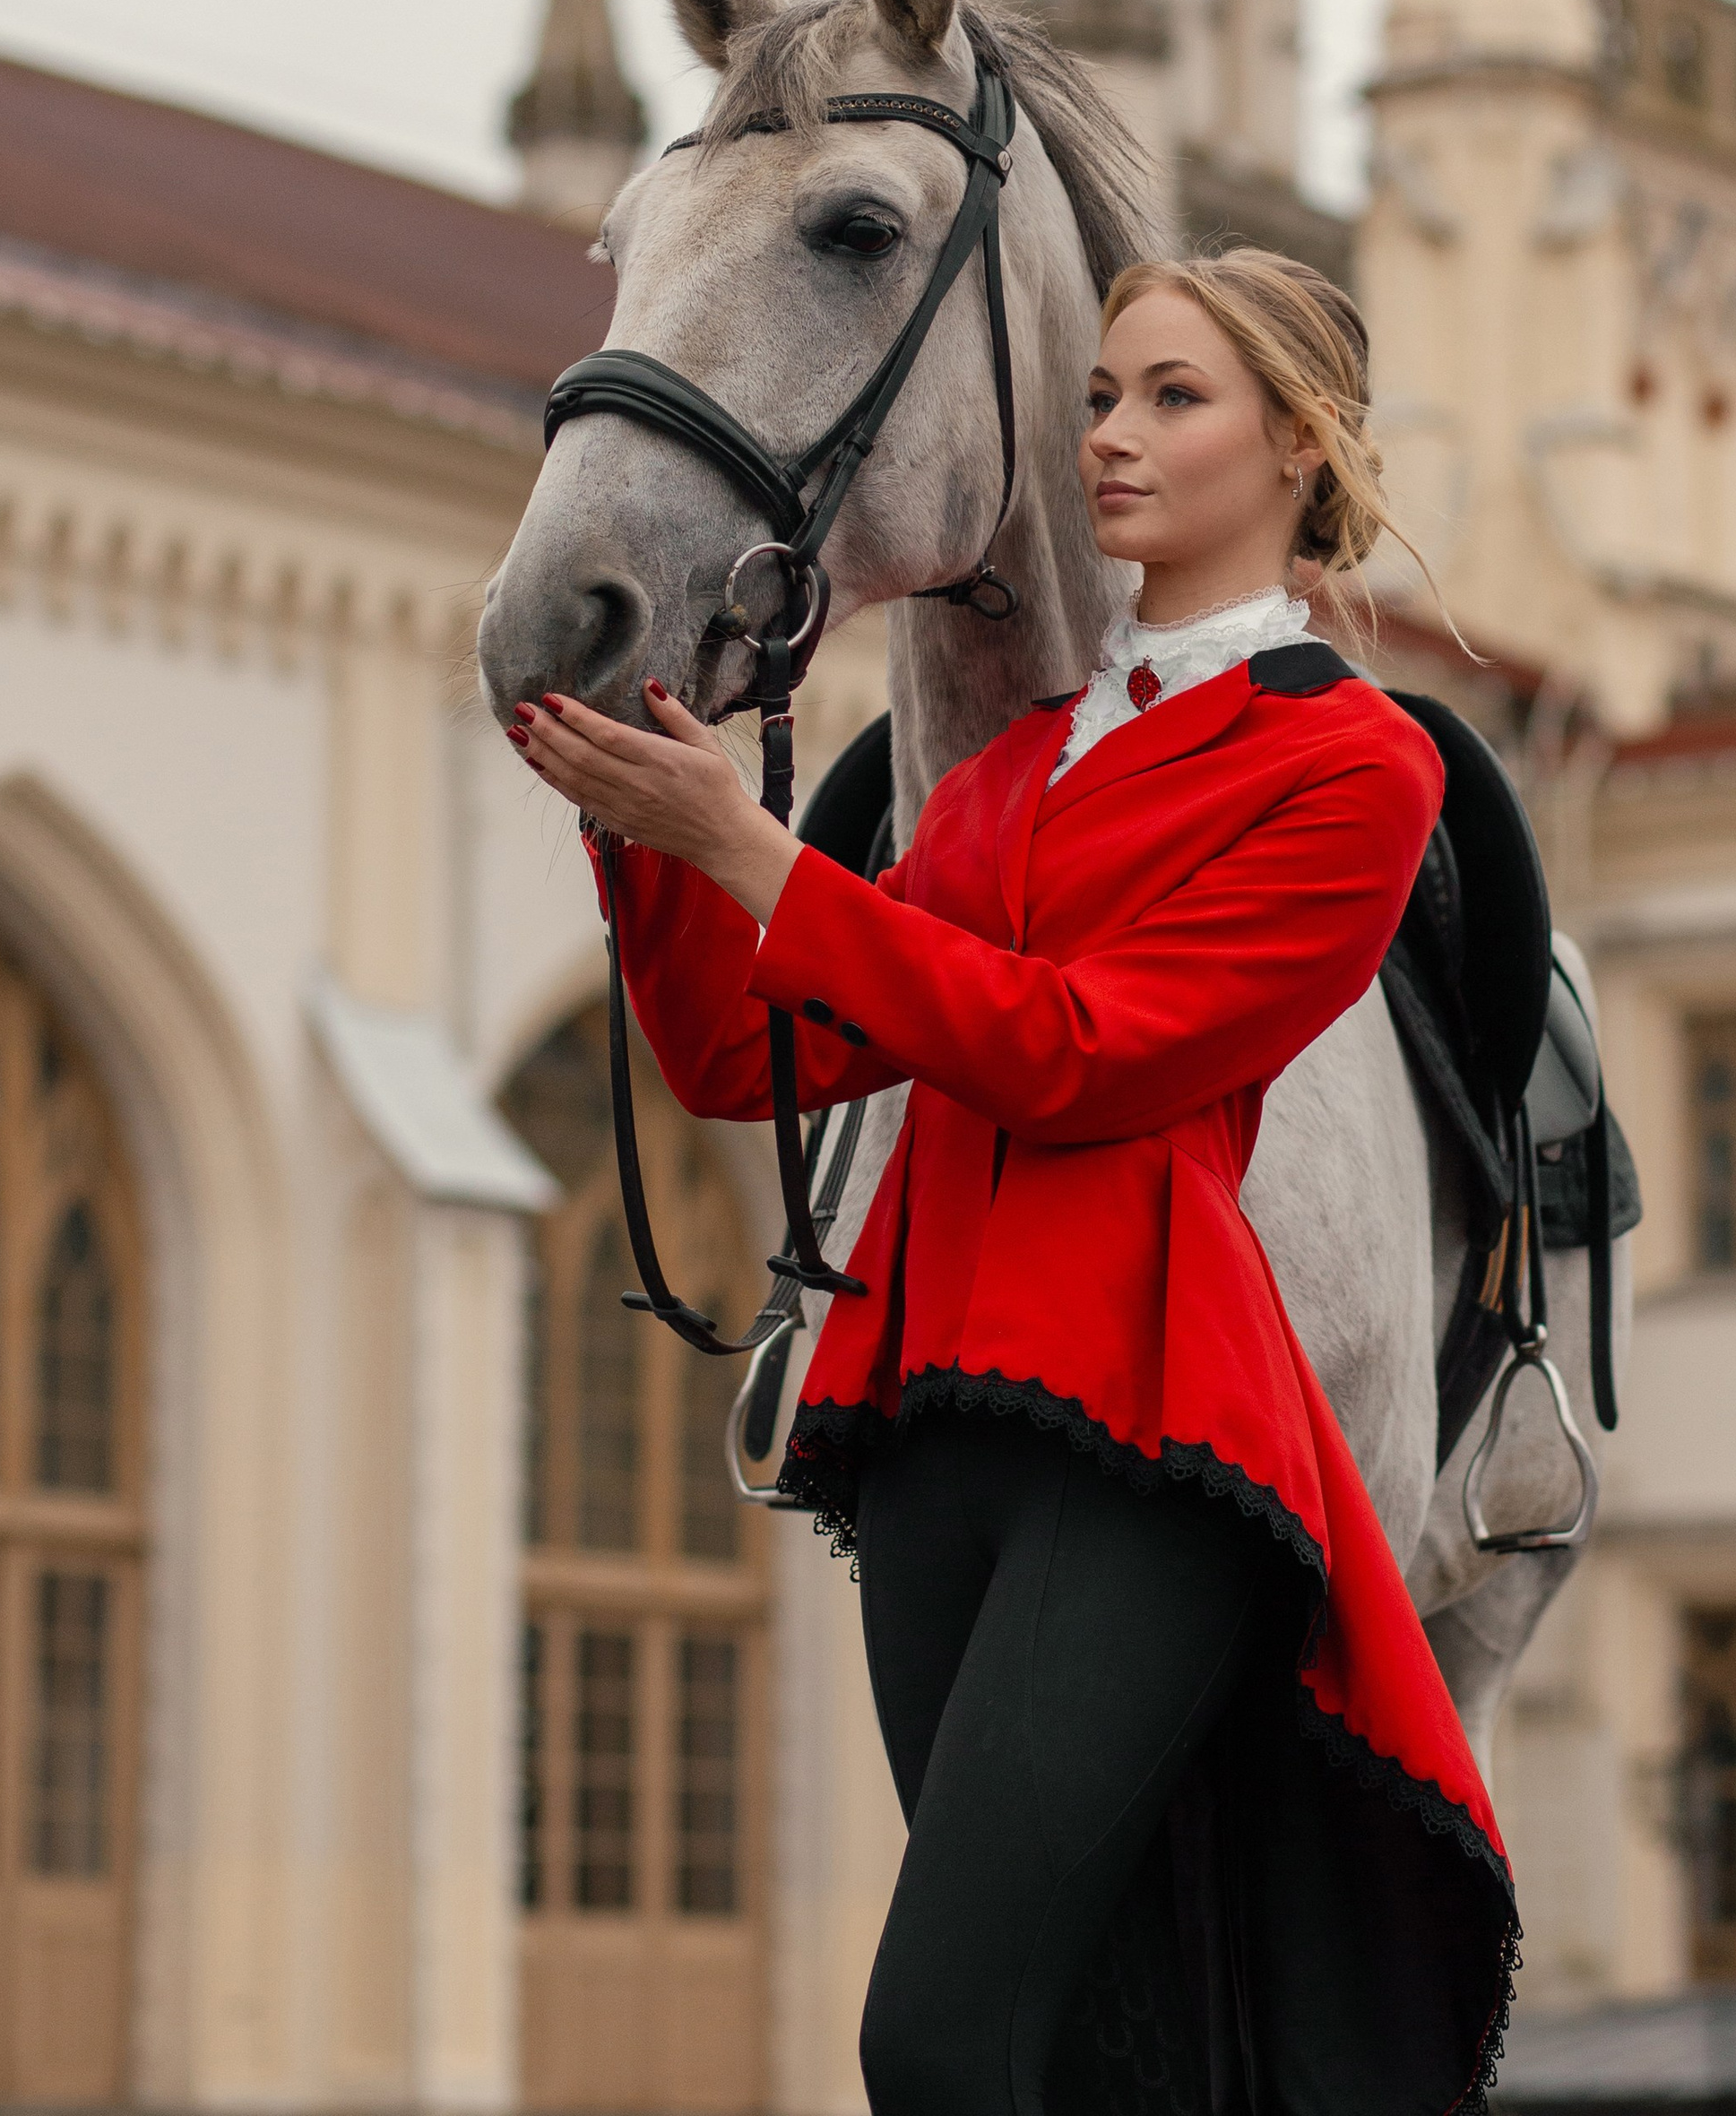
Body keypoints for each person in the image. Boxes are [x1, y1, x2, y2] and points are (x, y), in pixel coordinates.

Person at [510, 248, 1519, 2116]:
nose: (1107, 436)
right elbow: (753, 1058)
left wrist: (755, 858)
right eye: (1095, 396)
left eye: (1169, 398)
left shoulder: (1350, 766)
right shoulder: (1012, 767)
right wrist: (642, 825)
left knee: (934, 2040)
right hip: (924, 1417)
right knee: (1072, 2042)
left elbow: (1081, 1053)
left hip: (1140, 1426)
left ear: (1300, 446)